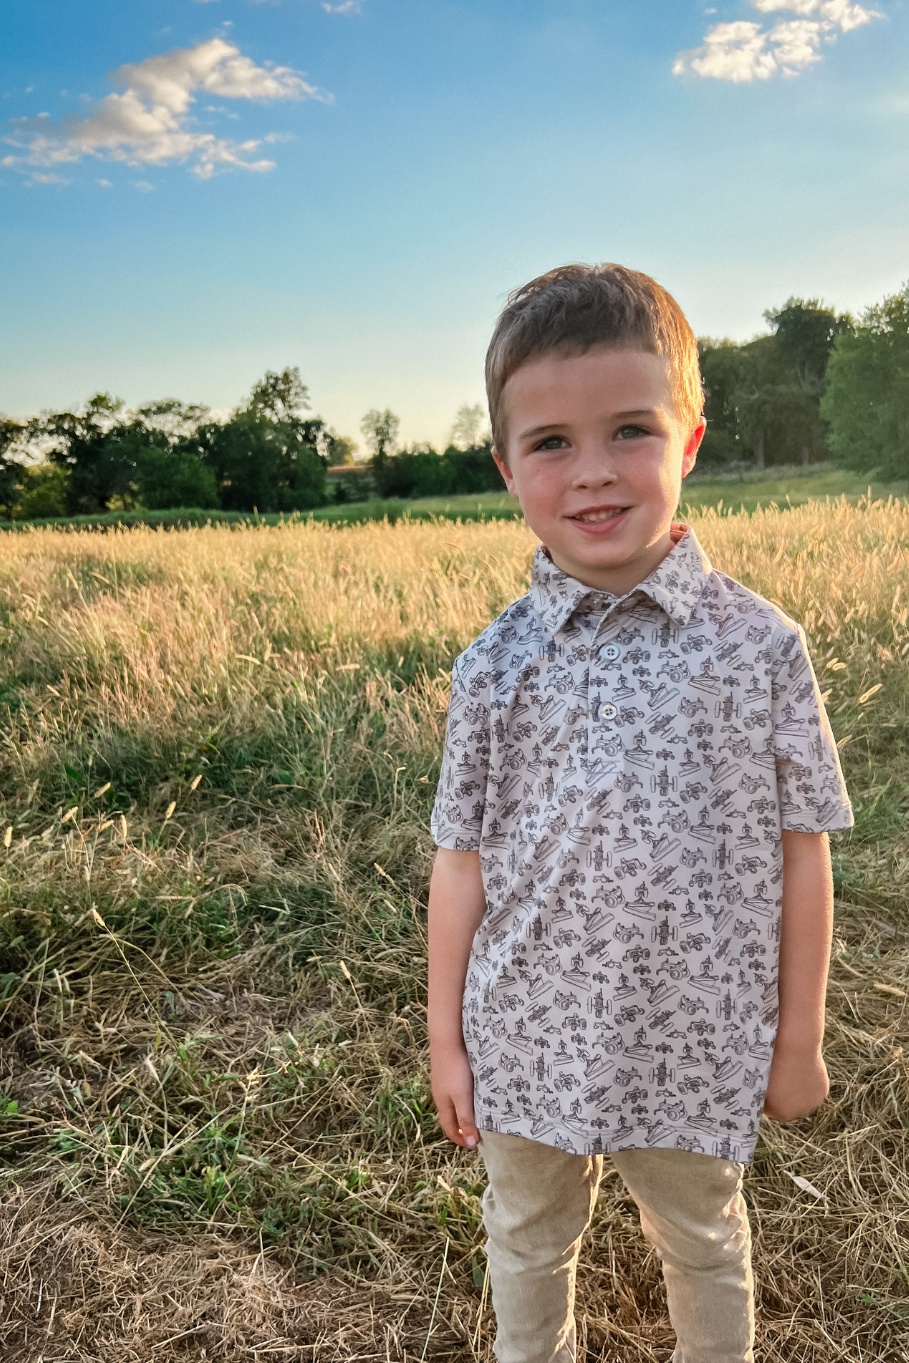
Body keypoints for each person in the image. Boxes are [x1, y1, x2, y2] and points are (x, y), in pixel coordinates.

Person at [427, 264, 853, 1363]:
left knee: (704, 1241)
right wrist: (448, 1040)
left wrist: (797, 1035)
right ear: (506, 466)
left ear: (690, 441)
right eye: (552, 443)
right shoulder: (494, 666)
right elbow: (461, 862)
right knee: (526, 1239)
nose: (596, 473)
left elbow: (803, 854)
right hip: (527, 1034)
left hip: (697, 1033)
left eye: (631, 430)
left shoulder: (760, 648)